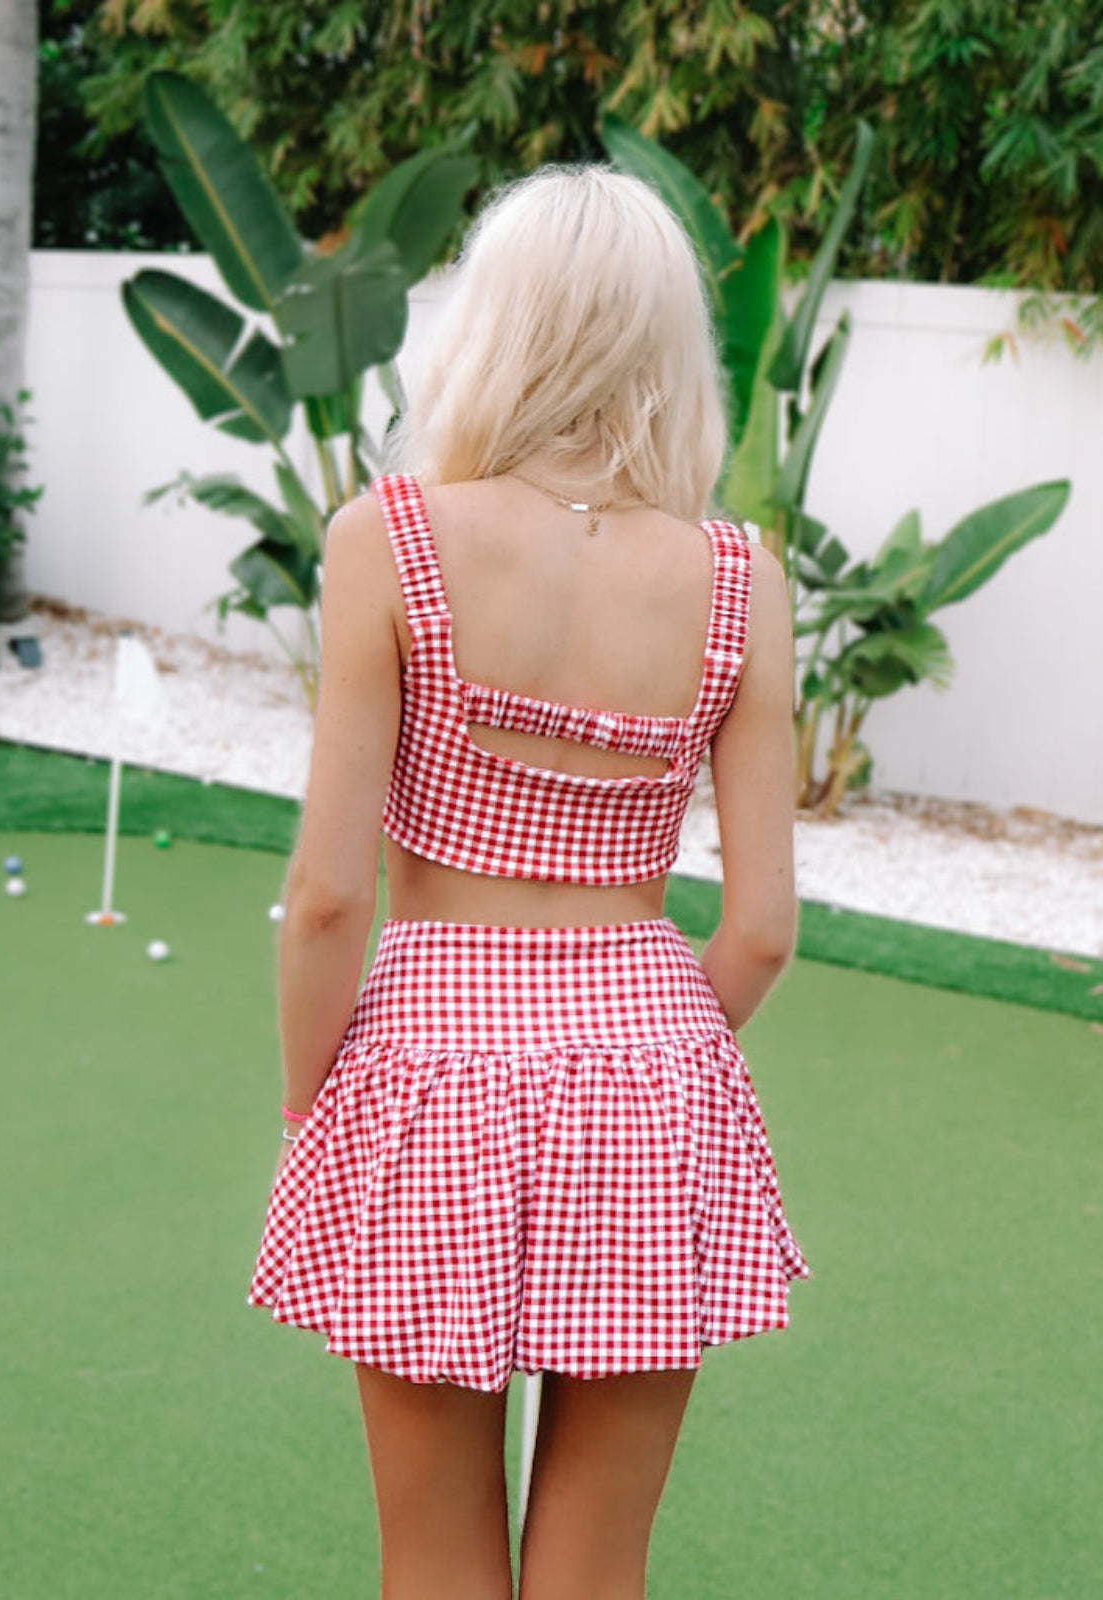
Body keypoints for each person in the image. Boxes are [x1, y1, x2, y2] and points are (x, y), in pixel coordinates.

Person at [249, 165, 808, 1600]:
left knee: (434, 1550)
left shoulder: (390, 538)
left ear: (489, 328)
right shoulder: (741, 578)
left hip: (428, 1060)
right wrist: (654, 1057)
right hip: (653, 1064)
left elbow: (327, 896)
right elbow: (760, 929)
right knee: (599, 1560)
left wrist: (314, 1102)